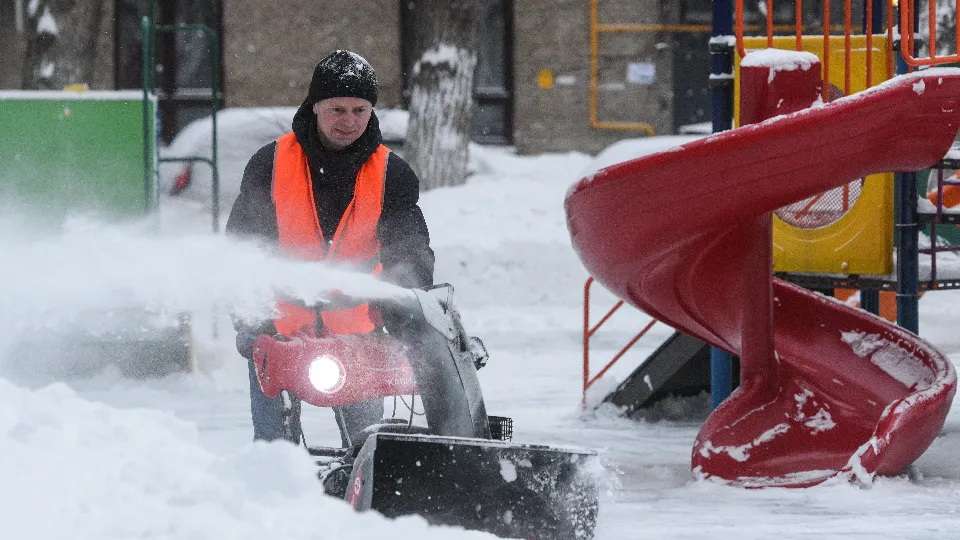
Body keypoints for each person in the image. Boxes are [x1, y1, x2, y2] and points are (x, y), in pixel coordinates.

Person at [225, 50, 435, 445]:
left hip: (358, 340)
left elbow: (410, 252)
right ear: (316, 106)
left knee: (368, 450)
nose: (349, 121)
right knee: (273, 452)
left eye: (360, 109)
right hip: (279, 335)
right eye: (337, 109)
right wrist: (252, 324)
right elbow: (243, 250)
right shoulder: (269, 164)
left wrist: (407, 314)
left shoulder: (393, 174)